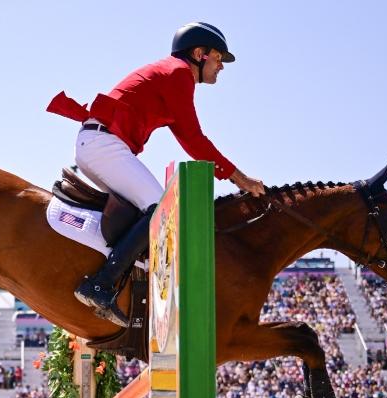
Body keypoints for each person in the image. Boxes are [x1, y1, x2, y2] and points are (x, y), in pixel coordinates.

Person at [47, 22, 265, 326]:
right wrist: (239, 178)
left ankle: (120, 280)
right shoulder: (177, 74)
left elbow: (189, 140)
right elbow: (194, 139)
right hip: (102, 144)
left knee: (147, 210)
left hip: (97, 143)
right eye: (218, 58)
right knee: (160, 209)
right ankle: (101, 284)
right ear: (199, 54)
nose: (221, 67)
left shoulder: (172, 74)